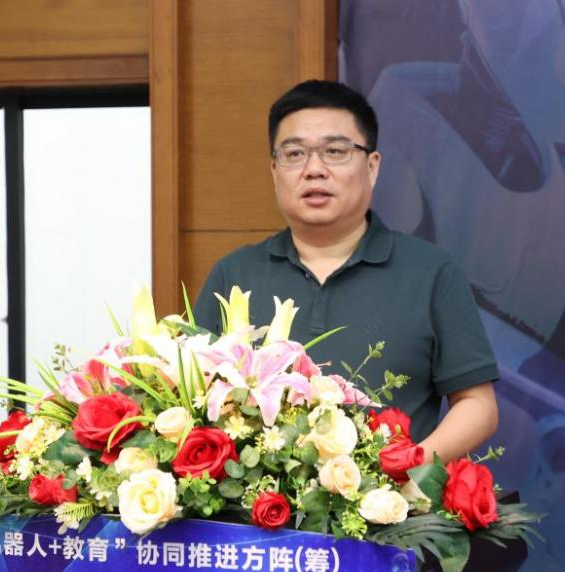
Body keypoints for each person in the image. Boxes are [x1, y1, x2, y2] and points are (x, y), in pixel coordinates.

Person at [193, 80, 499, 462]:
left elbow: (478, 404)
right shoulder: (234, 275)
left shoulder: (432, 273)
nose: (313, 170)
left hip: (394, 498)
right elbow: (192, 394)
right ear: (274, 170)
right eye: (294, 154)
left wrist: (406, 470)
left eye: (335, 152)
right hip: (259, 500)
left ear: (372, 167)